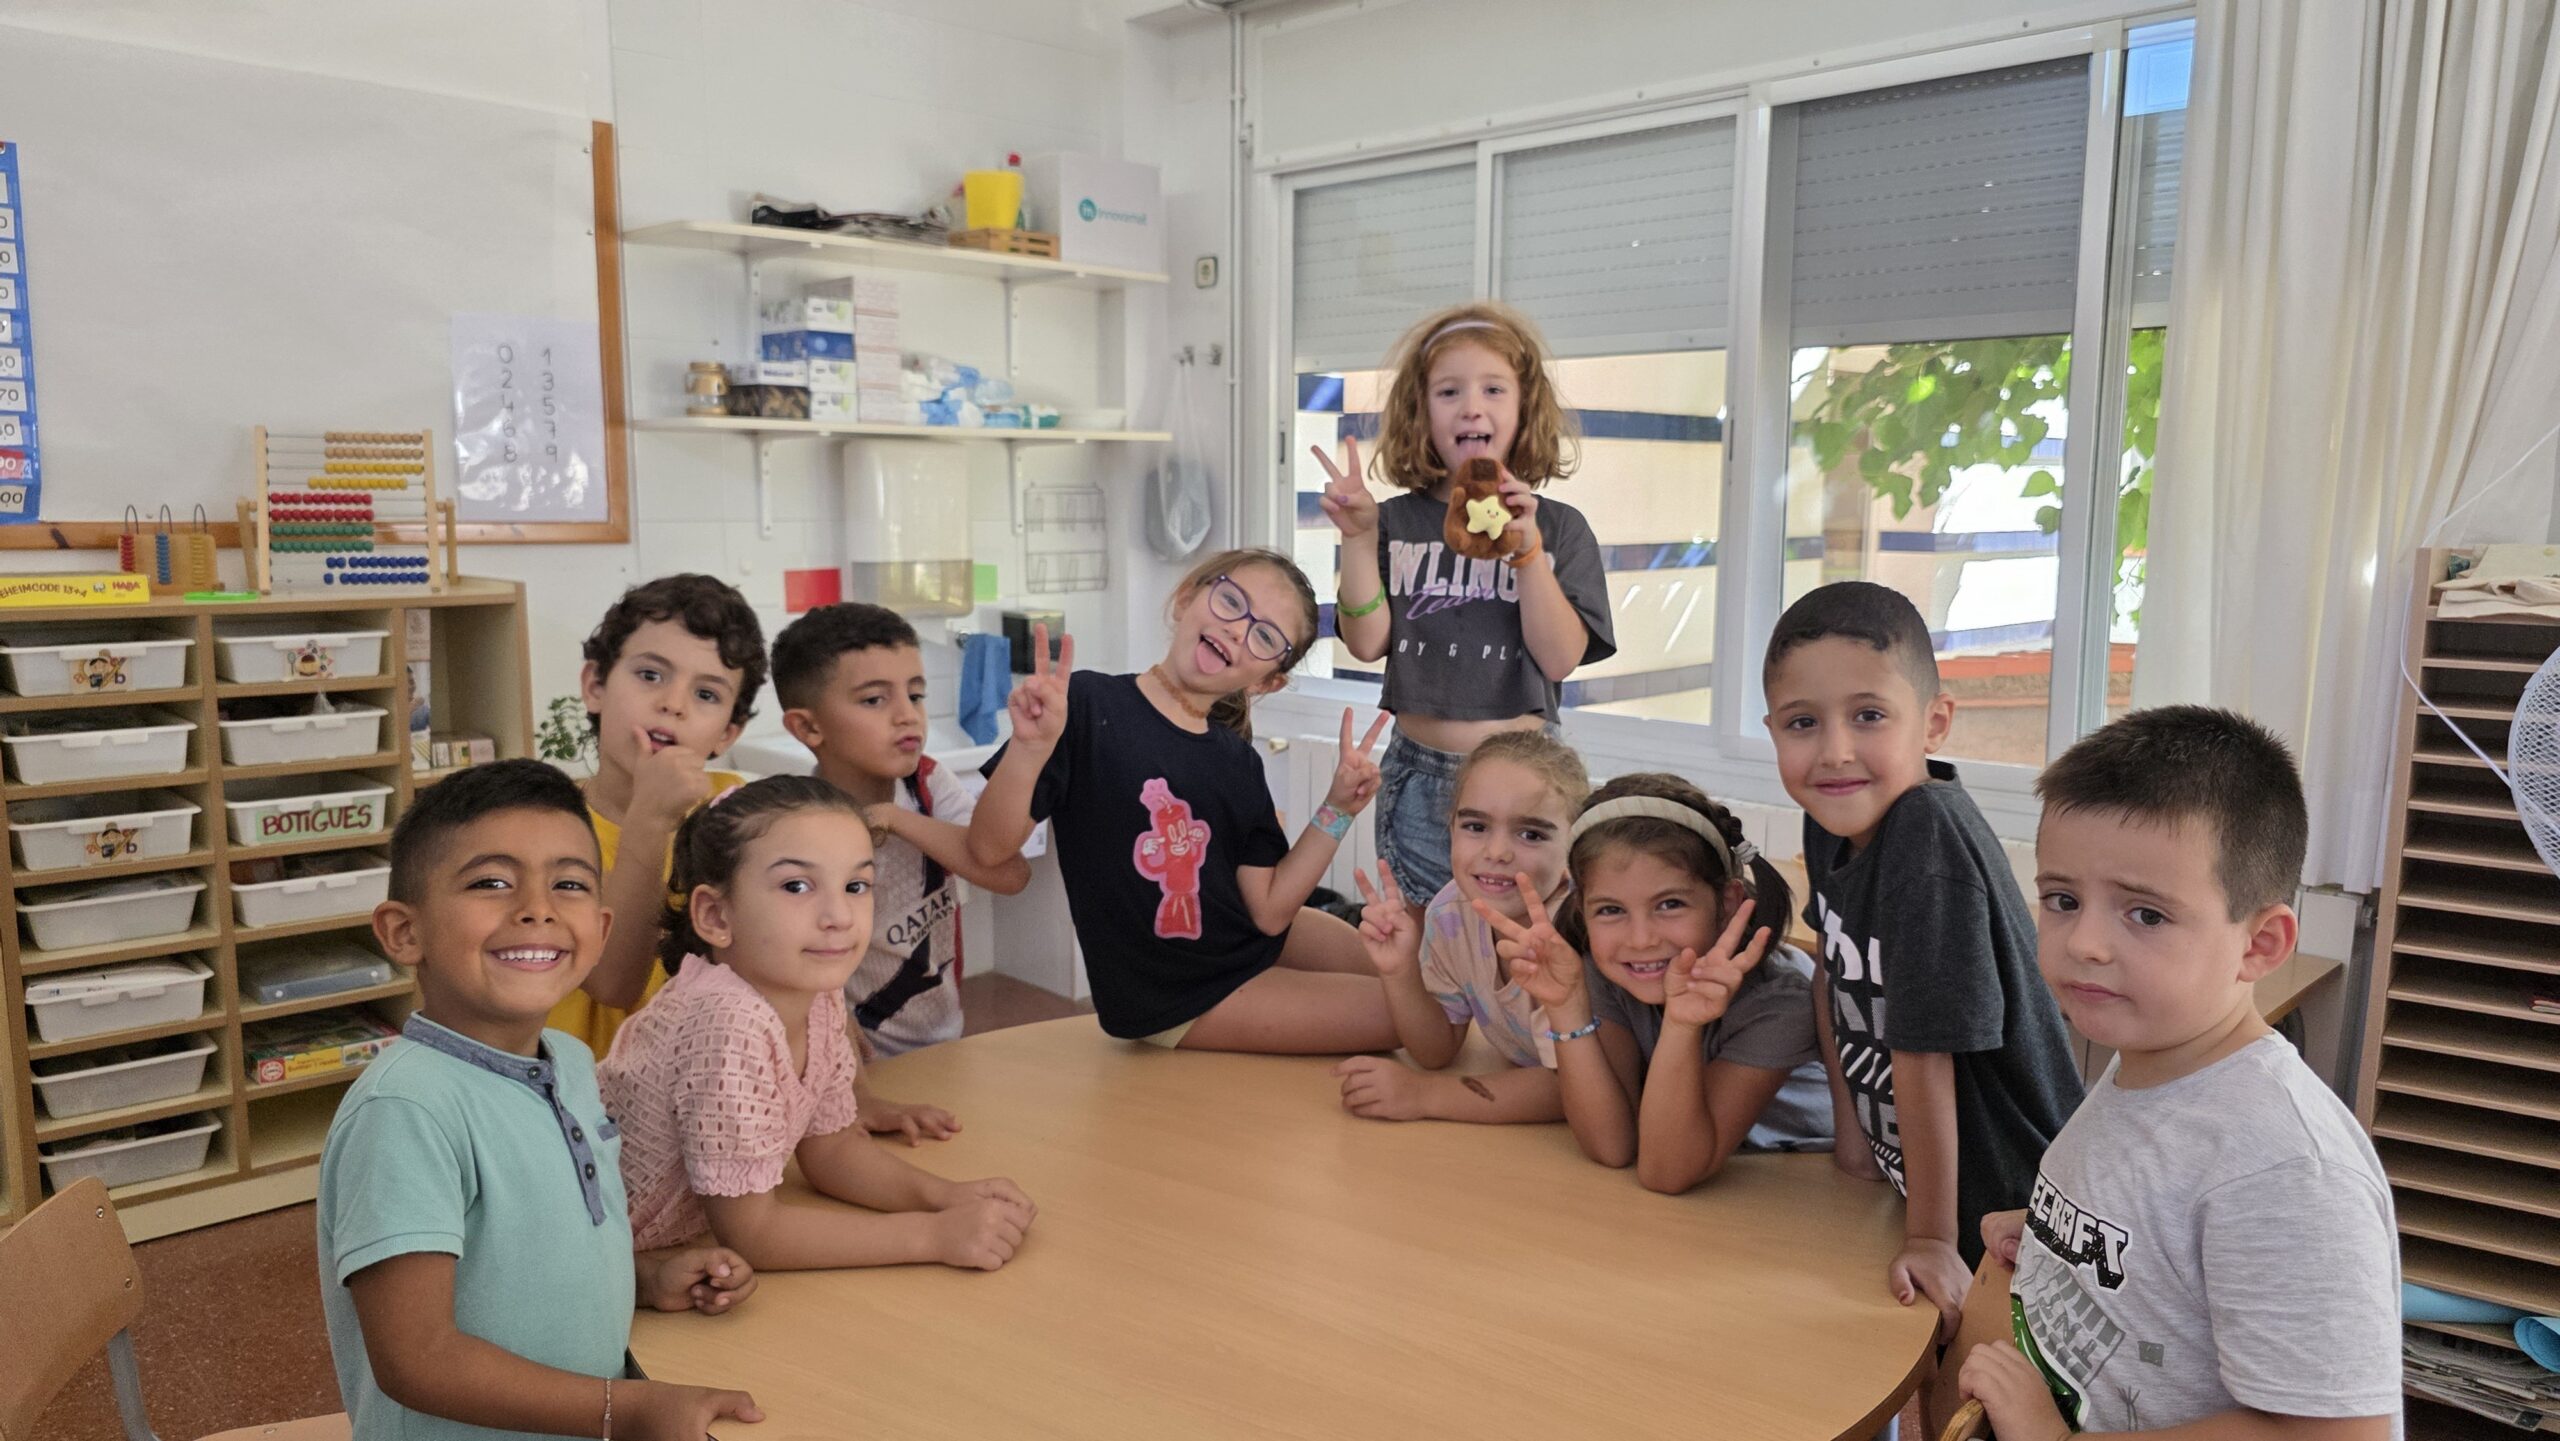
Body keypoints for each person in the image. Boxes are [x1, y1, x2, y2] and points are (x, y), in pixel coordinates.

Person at [1961, 707, 2401, 1439]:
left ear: (2259, 945)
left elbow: (2335, 1435)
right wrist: (2062, 1244)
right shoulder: (2153, 1059)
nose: (2085, 942)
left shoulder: (2284, 1170)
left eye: (2146, 914)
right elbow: (2161, 1222)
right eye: (2063, 900)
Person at [318, 760, 763, 1441]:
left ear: (602, 929)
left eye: (570, 884)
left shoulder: (572, 1062)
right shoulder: (404, 1110)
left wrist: (646, 1278)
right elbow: (417, 1359)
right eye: (491, 882)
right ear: (405, 932)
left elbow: (532, 1254)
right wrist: (625, 1409)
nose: (538, 908)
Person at [1763, 580, 2084, 1338]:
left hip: (2010, 1210)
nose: (1834, 750)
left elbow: (1923, 1052)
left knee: (1984, 1383)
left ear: (1934, 722)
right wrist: (1854, 1137)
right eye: (1803, 722)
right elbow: (1832, 974)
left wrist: (1933, 1236)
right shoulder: (1833, 817)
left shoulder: (1924, 835)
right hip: (1926, 1189)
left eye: (1868, 715)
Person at [967, 548, 1401, 1053]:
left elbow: (1269, 912)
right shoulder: (1085, 704)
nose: (1238, 630)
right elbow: (989, 849)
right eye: (1231, 602)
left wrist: (1339, 808)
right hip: (1181, 996)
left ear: (1266, 681)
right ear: (1186, 599)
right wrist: (1029, 749)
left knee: (1410, 984)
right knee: (1410, 1016)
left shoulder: (1238, 762)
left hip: (1245, 941)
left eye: (1264, 636)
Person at [599, 775, 1037, 1272]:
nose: (839, 916)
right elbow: (753, 1234)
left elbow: (832, 1150)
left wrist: (947, 1198)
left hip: (660, 1250)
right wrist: (934, 1236)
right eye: (797, 886)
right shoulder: (725, 1020)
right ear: (716, 916)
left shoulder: (817, 995)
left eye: (856, 886)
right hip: (589, 1255)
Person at [1311, 300, 1616, 912]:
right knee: (1427, 940)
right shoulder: (1391, 520)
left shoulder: (1560, 528)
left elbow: (1559, 659)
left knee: (1520, 938)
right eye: (1449, 391)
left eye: (1493, 389)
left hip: (1524, 780)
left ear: (1524, 408)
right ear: (1421, 412)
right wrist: (1359, 538)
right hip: (1418, 773)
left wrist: (1529, 553)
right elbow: (1366, 643)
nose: (1471, 406)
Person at [1481, 774, 1832, 1186]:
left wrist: (1681, 1026)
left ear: (1727, 904)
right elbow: (1612, 1146)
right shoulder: (1606, 973)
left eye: (1669, 904)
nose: (1641, 940)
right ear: (1582, 912)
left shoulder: (1779, 1003)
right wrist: (1566, 1009)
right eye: (1611, 910)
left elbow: (1668, 1173)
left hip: (1801, 1177)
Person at [771, 601, 1036, 1142]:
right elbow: (792, 972)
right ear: (808, 727)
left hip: (946, 1037)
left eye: (914, 695)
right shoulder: (795, 824)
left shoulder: (927, 786)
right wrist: (856, 1083)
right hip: (854, 1068)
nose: (906, 715)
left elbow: (1009, 875)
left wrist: (895, 819)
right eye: (875, 700)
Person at [550, 574, 765, 1056]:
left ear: (727, 734)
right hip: (583, 1092)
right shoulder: (544, 827)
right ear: (595, 686)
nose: (672, 704)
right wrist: (649, 818)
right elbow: (613, 984)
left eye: (706, 694)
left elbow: (801, 960)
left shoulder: (741, 814)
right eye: (650, 675)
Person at [1333, 729, 1589, 1123]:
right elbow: (1436, 1051)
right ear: (1450, 829)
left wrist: (1422, 1096)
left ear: (1575, 849)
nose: (1497, 852)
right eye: (1476, 826)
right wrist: (1400, 971)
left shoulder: (1577, 931)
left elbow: (1575, 1088)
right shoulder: (1450, 914)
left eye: (1531, 834)